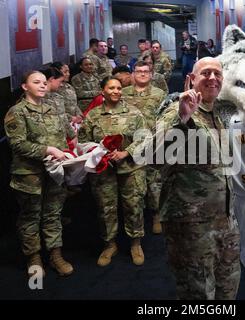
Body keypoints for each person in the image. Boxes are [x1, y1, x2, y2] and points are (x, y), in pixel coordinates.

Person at [154, 57, 240, 299]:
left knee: (228, 288)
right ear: (191, 79)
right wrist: (180, 120)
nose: (212, 78)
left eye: (217, 74)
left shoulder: (218, 114)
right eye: (205, 73)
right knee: (199, 294)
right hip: (191, 226)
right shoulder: (177, 111)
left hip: (225, 222)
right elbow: (153, 157)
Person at [4, 71, 76, 277]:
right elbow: (17, 144)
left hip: (54, 172)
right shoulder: (17, 112)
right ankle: (33, 258)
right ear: (25, 87)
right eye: (37, 82)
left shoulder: (52, 109)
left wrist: (69, 152)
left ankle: (55, 255)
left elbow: (65, 136)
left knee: (53, 214)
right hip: (29, 174)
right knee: (31, 217)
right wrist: (48, 150)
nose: (43, 85)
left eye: (45, 82)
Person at [78, 77, 148, 267]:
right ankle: (110, 244)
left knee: (134, 205)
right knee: (105, 207)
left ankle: (135, 243)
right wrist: (98, 154)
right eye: (111, 88)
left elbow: (145, 138)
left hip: (131, 168)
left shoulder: (134, 113)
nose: (116, 91)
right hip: (103, 170)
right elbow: (82, 143)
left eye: (119, 88)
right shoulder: (92, 116)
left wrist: (126, 152)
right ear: (103, 91)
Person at [122, 61, 166, 234]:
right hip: (130, 144)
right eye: (139, 71)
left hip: (153, 142)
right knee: (134, 185)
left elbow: (166, 116)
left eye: (145, 71)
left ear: (151, 74)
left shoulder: (159, 94)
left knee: (154, 181)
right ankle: (136, 219)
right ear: (133, 73)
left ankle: (156, 214)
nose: (142, 74)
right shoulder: (123, 93)